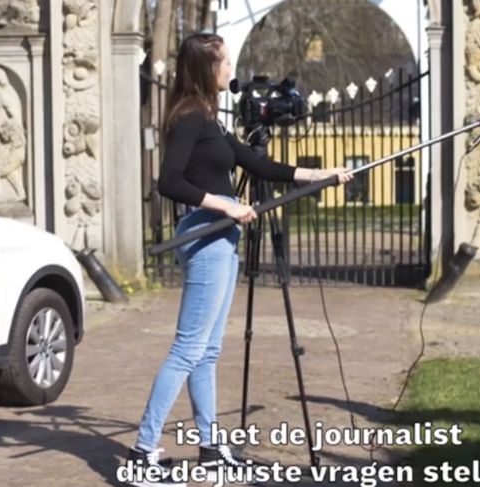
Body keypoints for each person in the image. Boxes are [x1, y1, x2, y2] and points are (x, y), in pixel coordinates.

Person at [125, 33, 352, 486]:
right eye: (225, 61)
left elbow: (258, 164)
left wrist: (321, 175)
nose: (230, 68)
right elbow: (169, 182)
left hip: (223, 238)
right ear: (206, 68)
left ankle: (211, 449)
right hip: (206, 236)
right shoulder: (189, 116)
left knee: (207, 352)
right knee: (188, 349)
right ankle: (142, 453)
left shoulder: (210, 118)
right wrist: (226, 206)